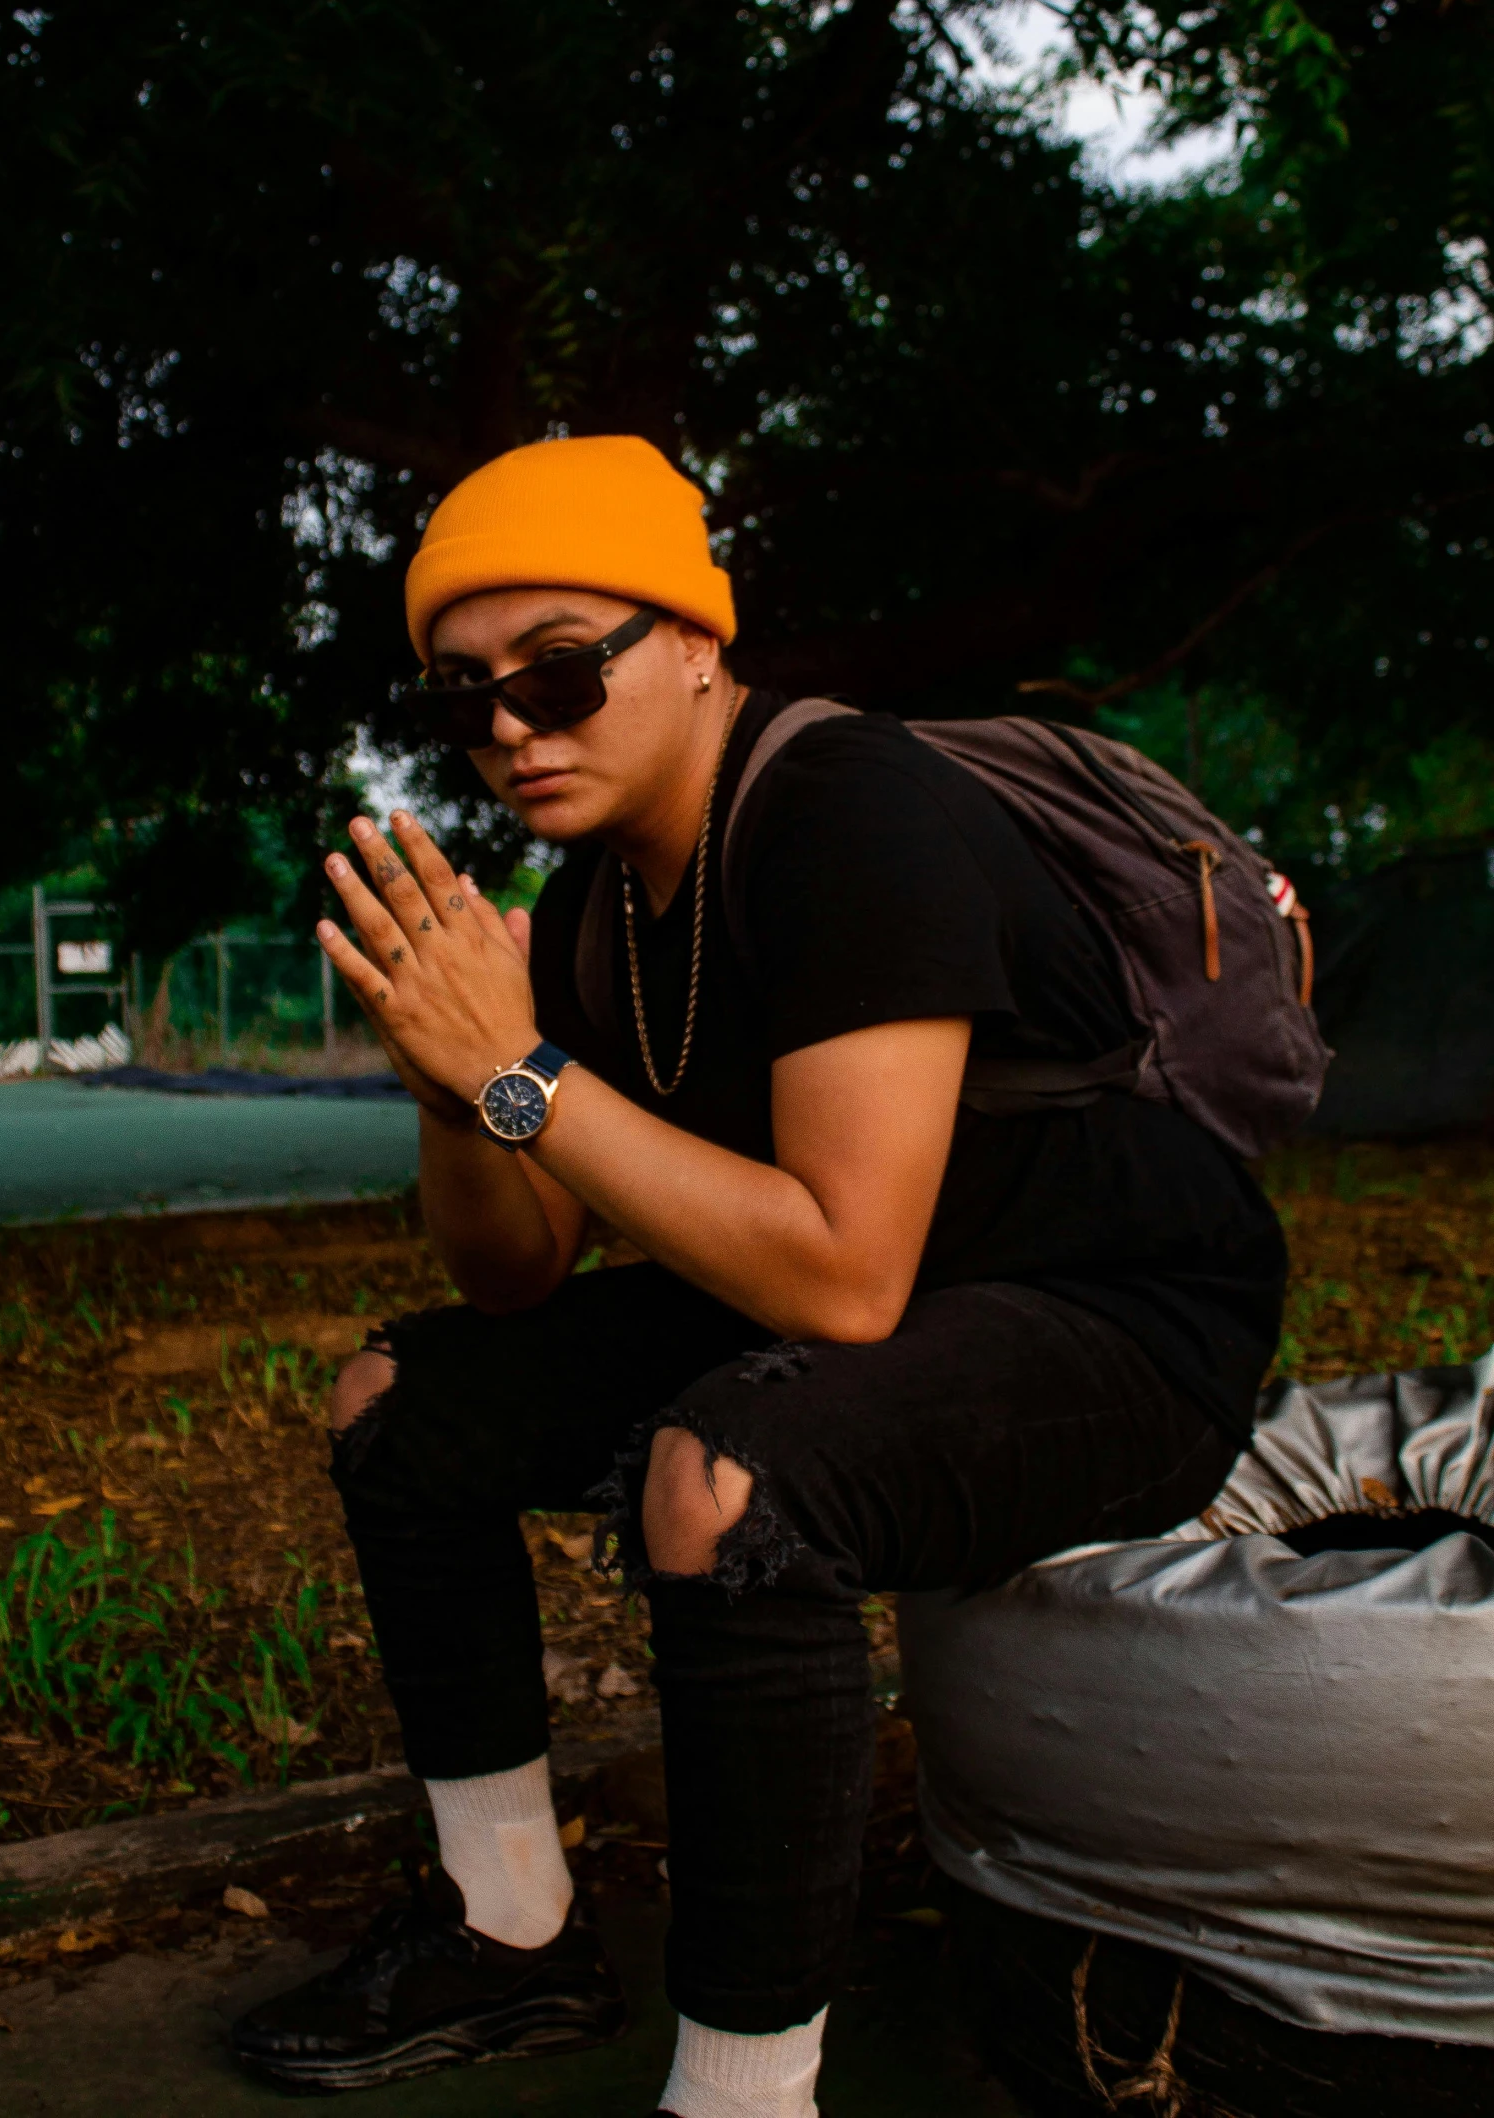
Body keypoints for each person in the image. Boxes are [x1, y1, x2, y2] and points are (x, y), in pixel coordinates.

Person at [231, 434, 1286, 2116]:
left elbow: (844, 1279)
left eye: (563, 669)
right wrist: (457, 1091)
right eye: (463, 695)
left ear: (700, 639)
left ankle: (743, 2089)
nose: (510, 726)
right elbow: (515, 1278)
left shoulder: (843, 805)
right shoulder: (591, 900)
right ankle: (508, 1932)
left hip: (1121, 1315)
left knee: (723, 1481)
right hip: (897, 1301)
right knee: (403, 1402)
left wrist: (525, 1081)